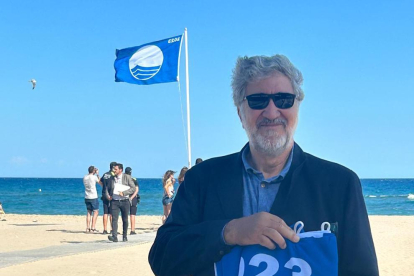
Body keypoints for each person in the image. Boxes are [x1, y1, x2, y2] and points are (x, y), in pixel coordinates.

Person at [149, 54, 379, 276]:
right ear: (240, 113)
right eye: (258, 100)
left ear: (297, 108)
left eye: (283, 99)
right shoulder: (203, 179)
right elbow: (162, 258)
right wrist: (229, 232)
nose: (271, 112)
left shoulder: (340, 184)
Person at [104, 163, 135, 242]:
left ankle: (124, 236)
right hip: (115, 201)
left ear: (120, 170)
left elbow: (133, 188)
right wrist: (108, 195)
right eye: (113, 169)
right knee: (114, 219)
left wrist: (124, 193)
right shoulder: (112, 177)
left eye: (115, 169)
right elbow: (107, 187)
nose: (114, 170)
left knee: (125, 219)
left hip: (125, 201)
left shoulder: (127, 177)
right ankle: (114, 236)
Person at [83, 166, 102, 233]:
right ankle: (93, 227)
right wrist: (97, 174)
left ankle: (87, 227)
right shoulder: (94, 177)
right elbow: (100, 183)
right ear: (93, 171)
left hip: (87, 196)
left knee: (89, 212)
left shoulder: (85, 177)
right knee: (96, 211)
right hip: (93, 196)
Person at [100, 161, 117, 234]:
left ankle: (104, 229)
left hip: (104, 194)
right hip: (110, 195)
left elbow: (100, 181)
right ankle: (112, 229)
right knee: (111, 213)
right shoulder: (113, 175)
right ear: (113, 167)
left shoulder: (105, 174)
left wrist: (103, 187)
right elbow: (113, 185)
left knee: (105, 212)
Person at [125, 167, 140, 235]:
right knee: (132, 214)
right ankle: (132, 230)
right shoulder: (134, 179)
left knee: (124, 215)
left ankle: (124, 230)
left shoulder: (123, 179)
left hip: (125, 197)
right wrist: (132, 197)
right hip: (133, 198)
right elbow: (136, 190)